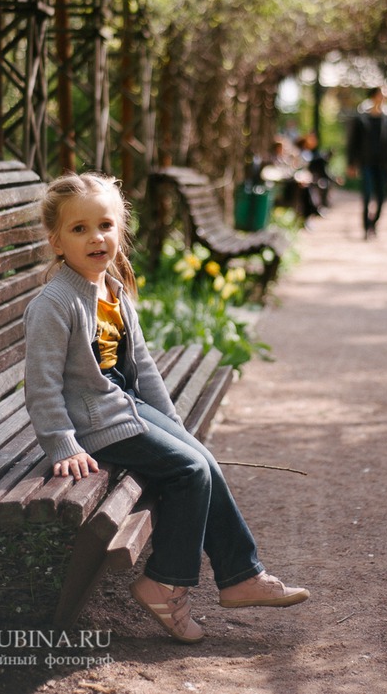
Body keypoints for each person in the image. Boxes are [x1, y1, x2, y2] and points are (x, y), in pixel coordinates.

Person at [23, 172, 309, 644]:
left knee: (202, 459)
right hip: (93, 425)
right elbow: (41, 384)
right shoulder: (55, 303)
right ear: (57, 241)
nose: (96, 237)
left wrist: (176, 429)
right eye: (79, 229)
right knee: (188, 472)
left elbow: (144, 368)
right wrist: (61, 444)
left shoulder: (113, 291)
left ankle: (240, 575)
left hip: (121, 407)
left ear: (120, 230)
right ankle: (163, 584)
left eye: (105, 225)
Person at [346, 85, 387, 238]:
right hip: (366, 163)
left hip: (382, 164)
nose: (385, 98)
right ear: (374, 96)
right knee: (367, 195)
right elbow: (353, 142)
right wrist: (351, 163)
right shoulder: (361, 118)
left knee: (382, 197)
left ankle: (373, 223)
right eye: (382, 94)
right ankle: (366, 227)